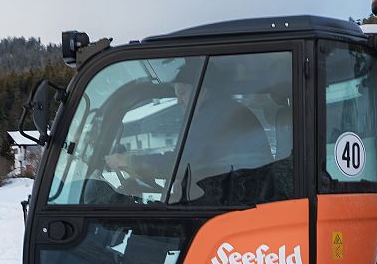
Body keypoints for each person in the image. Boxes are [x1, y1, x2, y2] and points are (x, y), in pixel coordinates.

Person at [106, 63, 271, 201]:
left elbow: (183, 162)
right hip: (236, 196)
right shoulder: (217, 113)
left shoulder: (217, 117)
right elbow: (193, 164)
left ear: (202, 91)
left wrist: (128, 160)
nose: (179, 101)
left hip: (237, 202)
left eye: (182, 93)